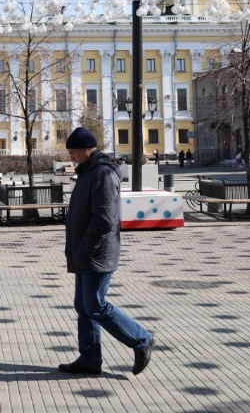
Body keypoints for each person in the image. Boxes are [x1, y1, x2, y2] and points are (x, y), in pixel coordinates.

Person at [60, 126, 155, 377]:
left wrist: (86, 248)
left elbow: (104, 219)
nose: (71, 156)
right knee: (83, 305)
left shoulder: (102, 174)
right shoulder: (88, 172)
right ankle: (90, 359)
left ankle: (141, 339)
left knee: (95, 305)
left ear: (87, 149)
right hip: (85, 253)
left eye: (73, 151)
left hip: (96, 253)